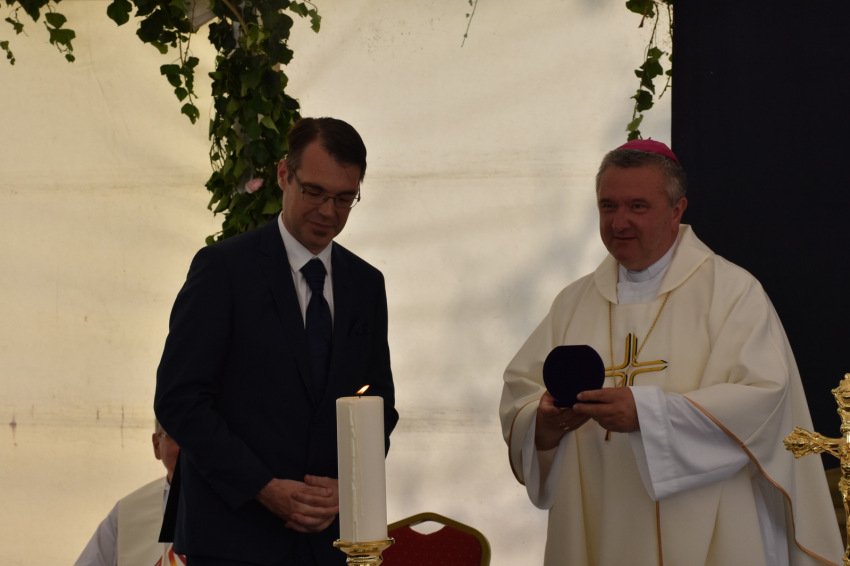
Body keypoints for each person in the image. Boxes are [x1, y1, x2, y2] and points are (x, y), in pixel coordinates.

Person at [499, 139, 843, 566]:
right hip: (593, 513)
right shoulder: (573, 302)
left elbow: (764, 400)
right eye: (608, 206)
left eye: (637, 206)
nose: (619, 222)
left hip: (706, 520)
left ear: (677, 210)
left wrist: (647, 415)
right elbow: (521, 392)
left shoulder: (731, 292)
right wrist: (545, 423)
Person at [154, 117, 398, 566]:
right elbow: (180, 399)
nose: (328, 211)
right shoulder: (223, 270)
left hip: (330, 542)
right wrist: (263, 487)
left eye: (344, 199)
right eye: (315, 192)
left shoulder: (366, 284)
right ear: (285, 174)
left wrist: (348, 484)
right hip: (234, 538)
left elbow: (378, 400)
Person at [74, 420, 184, 566]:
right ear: (157, 445)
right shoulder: (128, 513)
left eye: (201, 434)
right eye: (177, 435)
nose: (190, 445)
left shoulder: (217, 506)